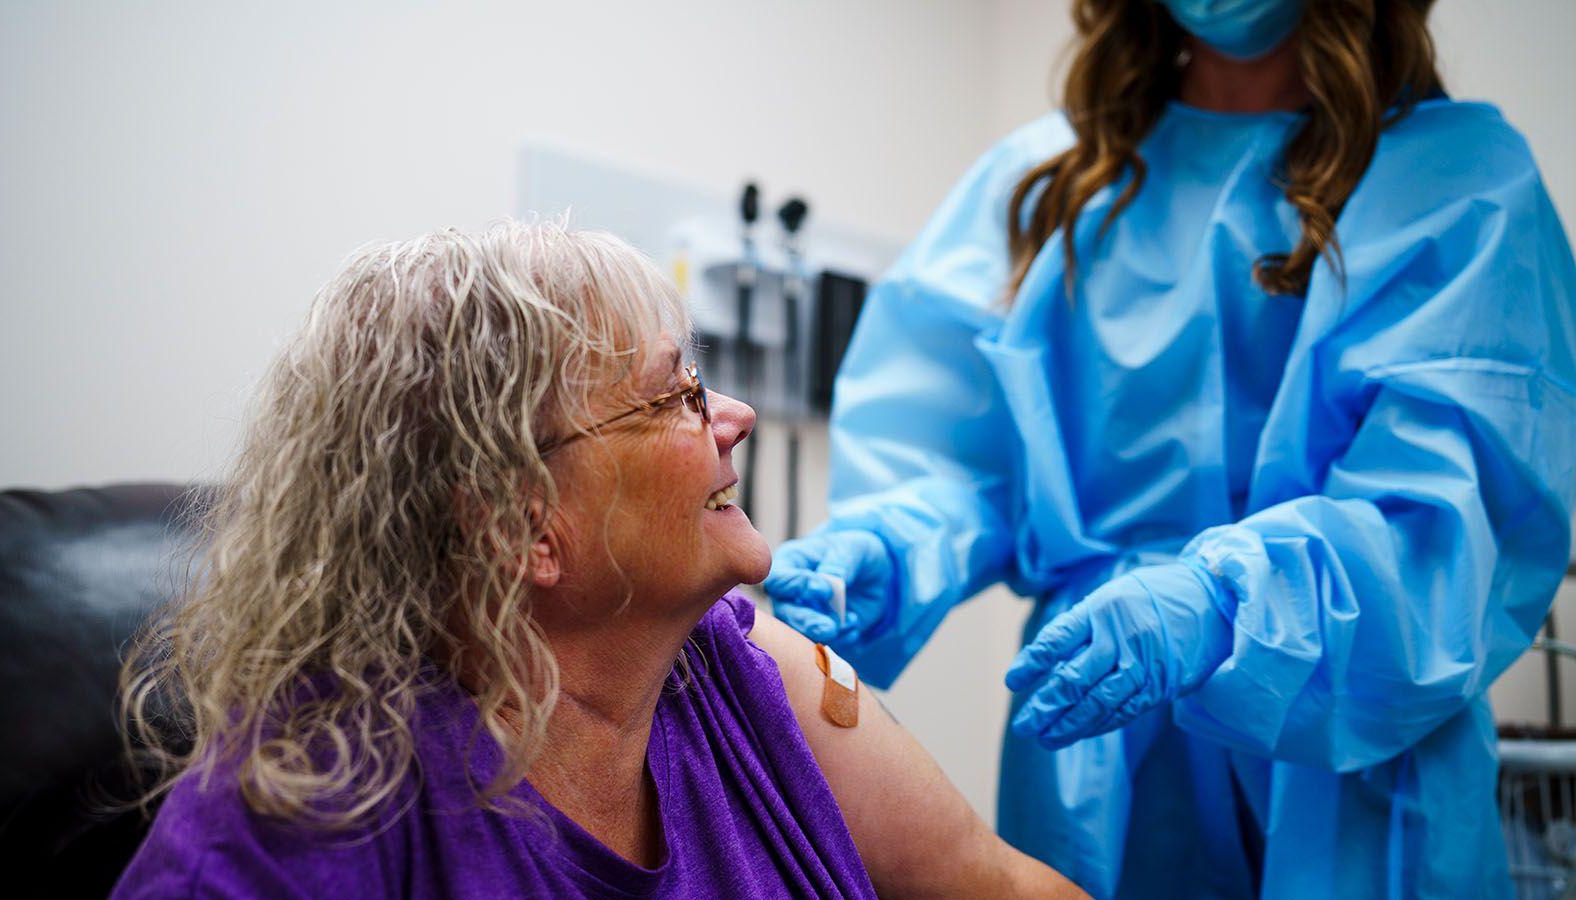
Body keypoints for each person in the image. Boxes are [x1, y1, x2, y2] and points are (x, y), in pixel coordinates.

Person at [766, 0, 1576, 897]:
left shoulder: (1462, 182)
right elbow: (966, 454)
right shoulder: (1048, 180)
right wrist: (897, 541)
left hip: (1355, 769)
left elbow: (1444, 526)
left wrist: (1222, 606)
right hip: (1093, 748)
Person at [110, 221, 1084, 899]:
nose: (735, 420)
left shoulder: (748, 677)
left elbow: (999, 886)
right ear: (519, 526)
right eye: (679, 397)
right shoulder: (302, 812)